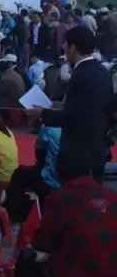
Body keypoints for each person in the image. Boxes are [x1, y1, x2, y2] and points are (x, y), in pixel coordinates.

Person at [9, 146, 117, 277]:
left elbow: (42, 243)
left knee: (28, 257)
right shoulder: (112, 196)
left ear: (59, 172)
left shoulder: (61, 197)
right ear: (89, 171)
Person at [31, 26, 114, 180]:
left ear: (73, 47)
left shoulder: (81, 74)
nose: (63, 47)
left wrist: (42, 113)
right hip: (97, 149)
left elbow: (73, 117)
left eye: (65, 43)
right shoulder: (101, 71)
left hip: (79, 153)